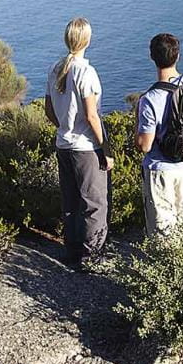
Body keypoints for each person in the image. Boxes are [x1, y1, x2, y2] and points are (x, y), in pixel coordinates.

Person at [43, 17, 113, 268]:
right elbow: (92, 115)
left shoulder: (55, 68)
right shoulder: (86, 72)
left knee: (70, 199)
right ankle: (92, 255)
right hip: (86, 147)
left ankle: (71, 249)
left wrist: (64, 127)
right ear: (87, 40)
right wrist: (106, 149)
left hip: (63, 144)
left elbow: (48, 109)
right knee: (94, 203)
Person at [135, 32, 183, 234]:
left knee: (163, 228)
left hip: (160, 170)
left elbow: (144, 145)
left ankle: (165, 265)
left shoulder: (150, 98)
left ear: (152, 57)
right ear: (178, 56)